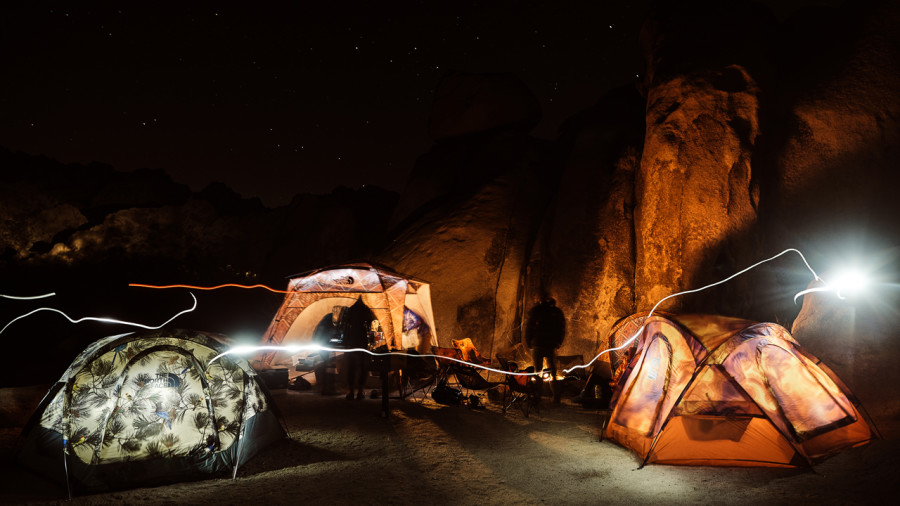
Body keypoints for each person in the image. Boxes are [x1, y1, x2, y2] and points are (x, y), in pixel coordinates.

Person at [525, 294, 566, 406]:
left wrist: (529, 342)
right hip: (549, 345)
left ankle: (538, 396)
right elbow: (561, 328)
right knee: (552, 371)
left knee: (538, 371)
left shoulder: (536, 311)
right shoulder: (555, 312)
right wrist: (559, 342)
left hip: (539, 344)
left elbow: (529, 327)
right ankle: (555, 398)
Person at [341, 298, 375, 400]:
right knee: (363, 367)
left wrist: (345, 341)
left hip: (352, 340)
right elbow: (370, 324)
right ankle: (360, 391)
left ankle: (351, 391)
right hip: (361, 340)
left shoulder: (350, 309)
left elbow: (345, 324)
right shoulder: (366, 309)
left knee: (351, 366)